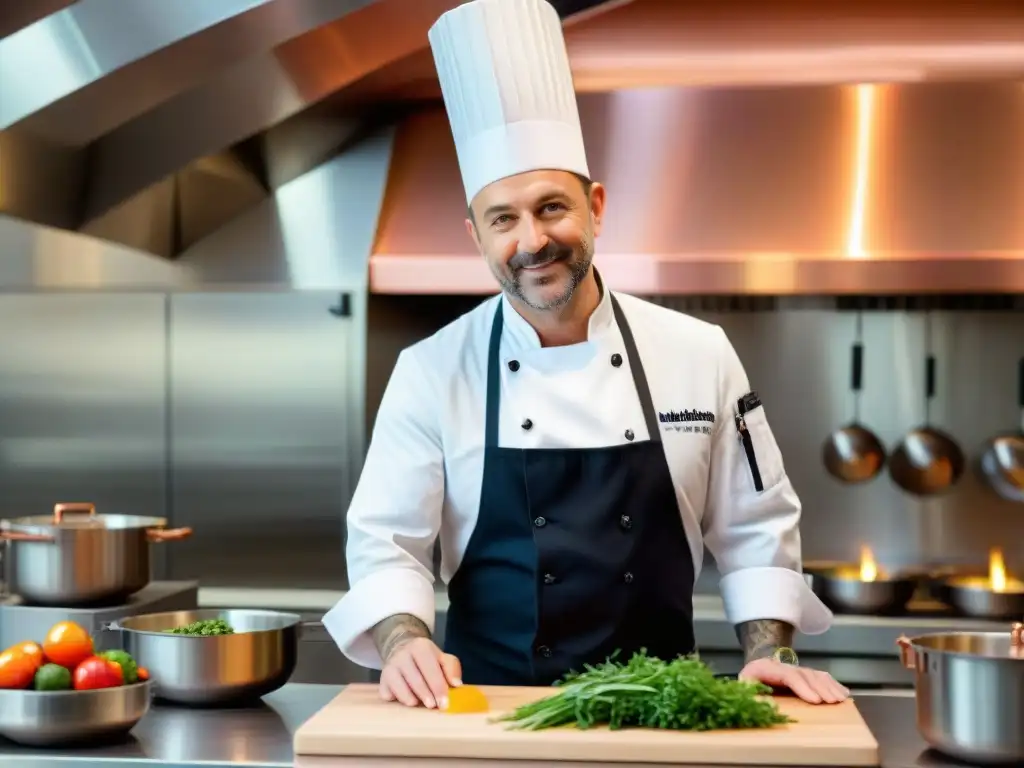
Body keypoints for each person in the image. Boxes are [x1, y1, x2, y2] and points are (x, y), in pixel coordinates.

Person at [324, 0, 847, 710]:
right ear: (476, 236)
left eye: (551, 207)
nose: (532, 240)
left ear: (596, 207)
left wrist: (769, 650)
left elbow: (757, 527)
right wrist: (404, 641)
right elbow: (387, 541)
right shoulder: (430, 371)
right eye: (503, 219)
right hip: (487, 723)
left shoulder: (700, 353)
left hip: (665, 721)